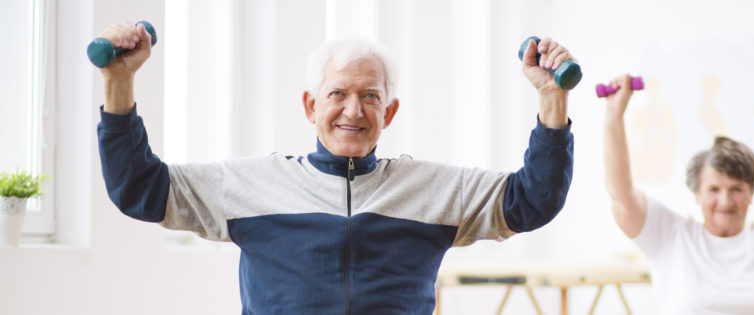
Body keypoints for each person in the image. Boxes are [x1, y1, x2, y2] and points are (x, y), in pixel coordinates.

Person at [96, 21, 576, 314]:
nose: (353, 110)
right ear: (310, 106)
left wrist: (552, 99)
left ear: (389, 113)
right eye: (337, 94)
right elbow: (138, 188)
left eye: (370, 96)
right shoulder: (248, 185)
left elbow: (533, 200)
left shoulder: (433, 189)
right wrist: (119, 83)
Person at [602, 73, 754, 314]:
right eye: (713, 189)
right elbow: (621, 195)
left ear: (751, 192)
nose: (725, 201)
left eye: (736, 189)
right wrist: (614, 115)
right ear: (697, 193)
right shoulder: (670, 236)